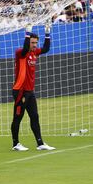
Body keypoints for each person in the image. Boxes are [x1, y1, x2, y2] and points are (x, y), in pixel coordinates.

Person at [11, 23, 55, 151]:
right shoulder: (21, 53)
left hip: (30, 91)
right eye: (32, 42)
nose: (35, 45)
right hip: (20, 90)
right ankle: (15, 144)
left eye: (36, 43)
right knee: (18, 117)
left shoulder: (35, 53)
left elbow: (46, 49)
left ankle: (40, 143)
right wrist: (27, 33)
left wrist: (47, 34)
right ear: (28, 42)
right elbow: (25, 48)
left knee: (34, 116)